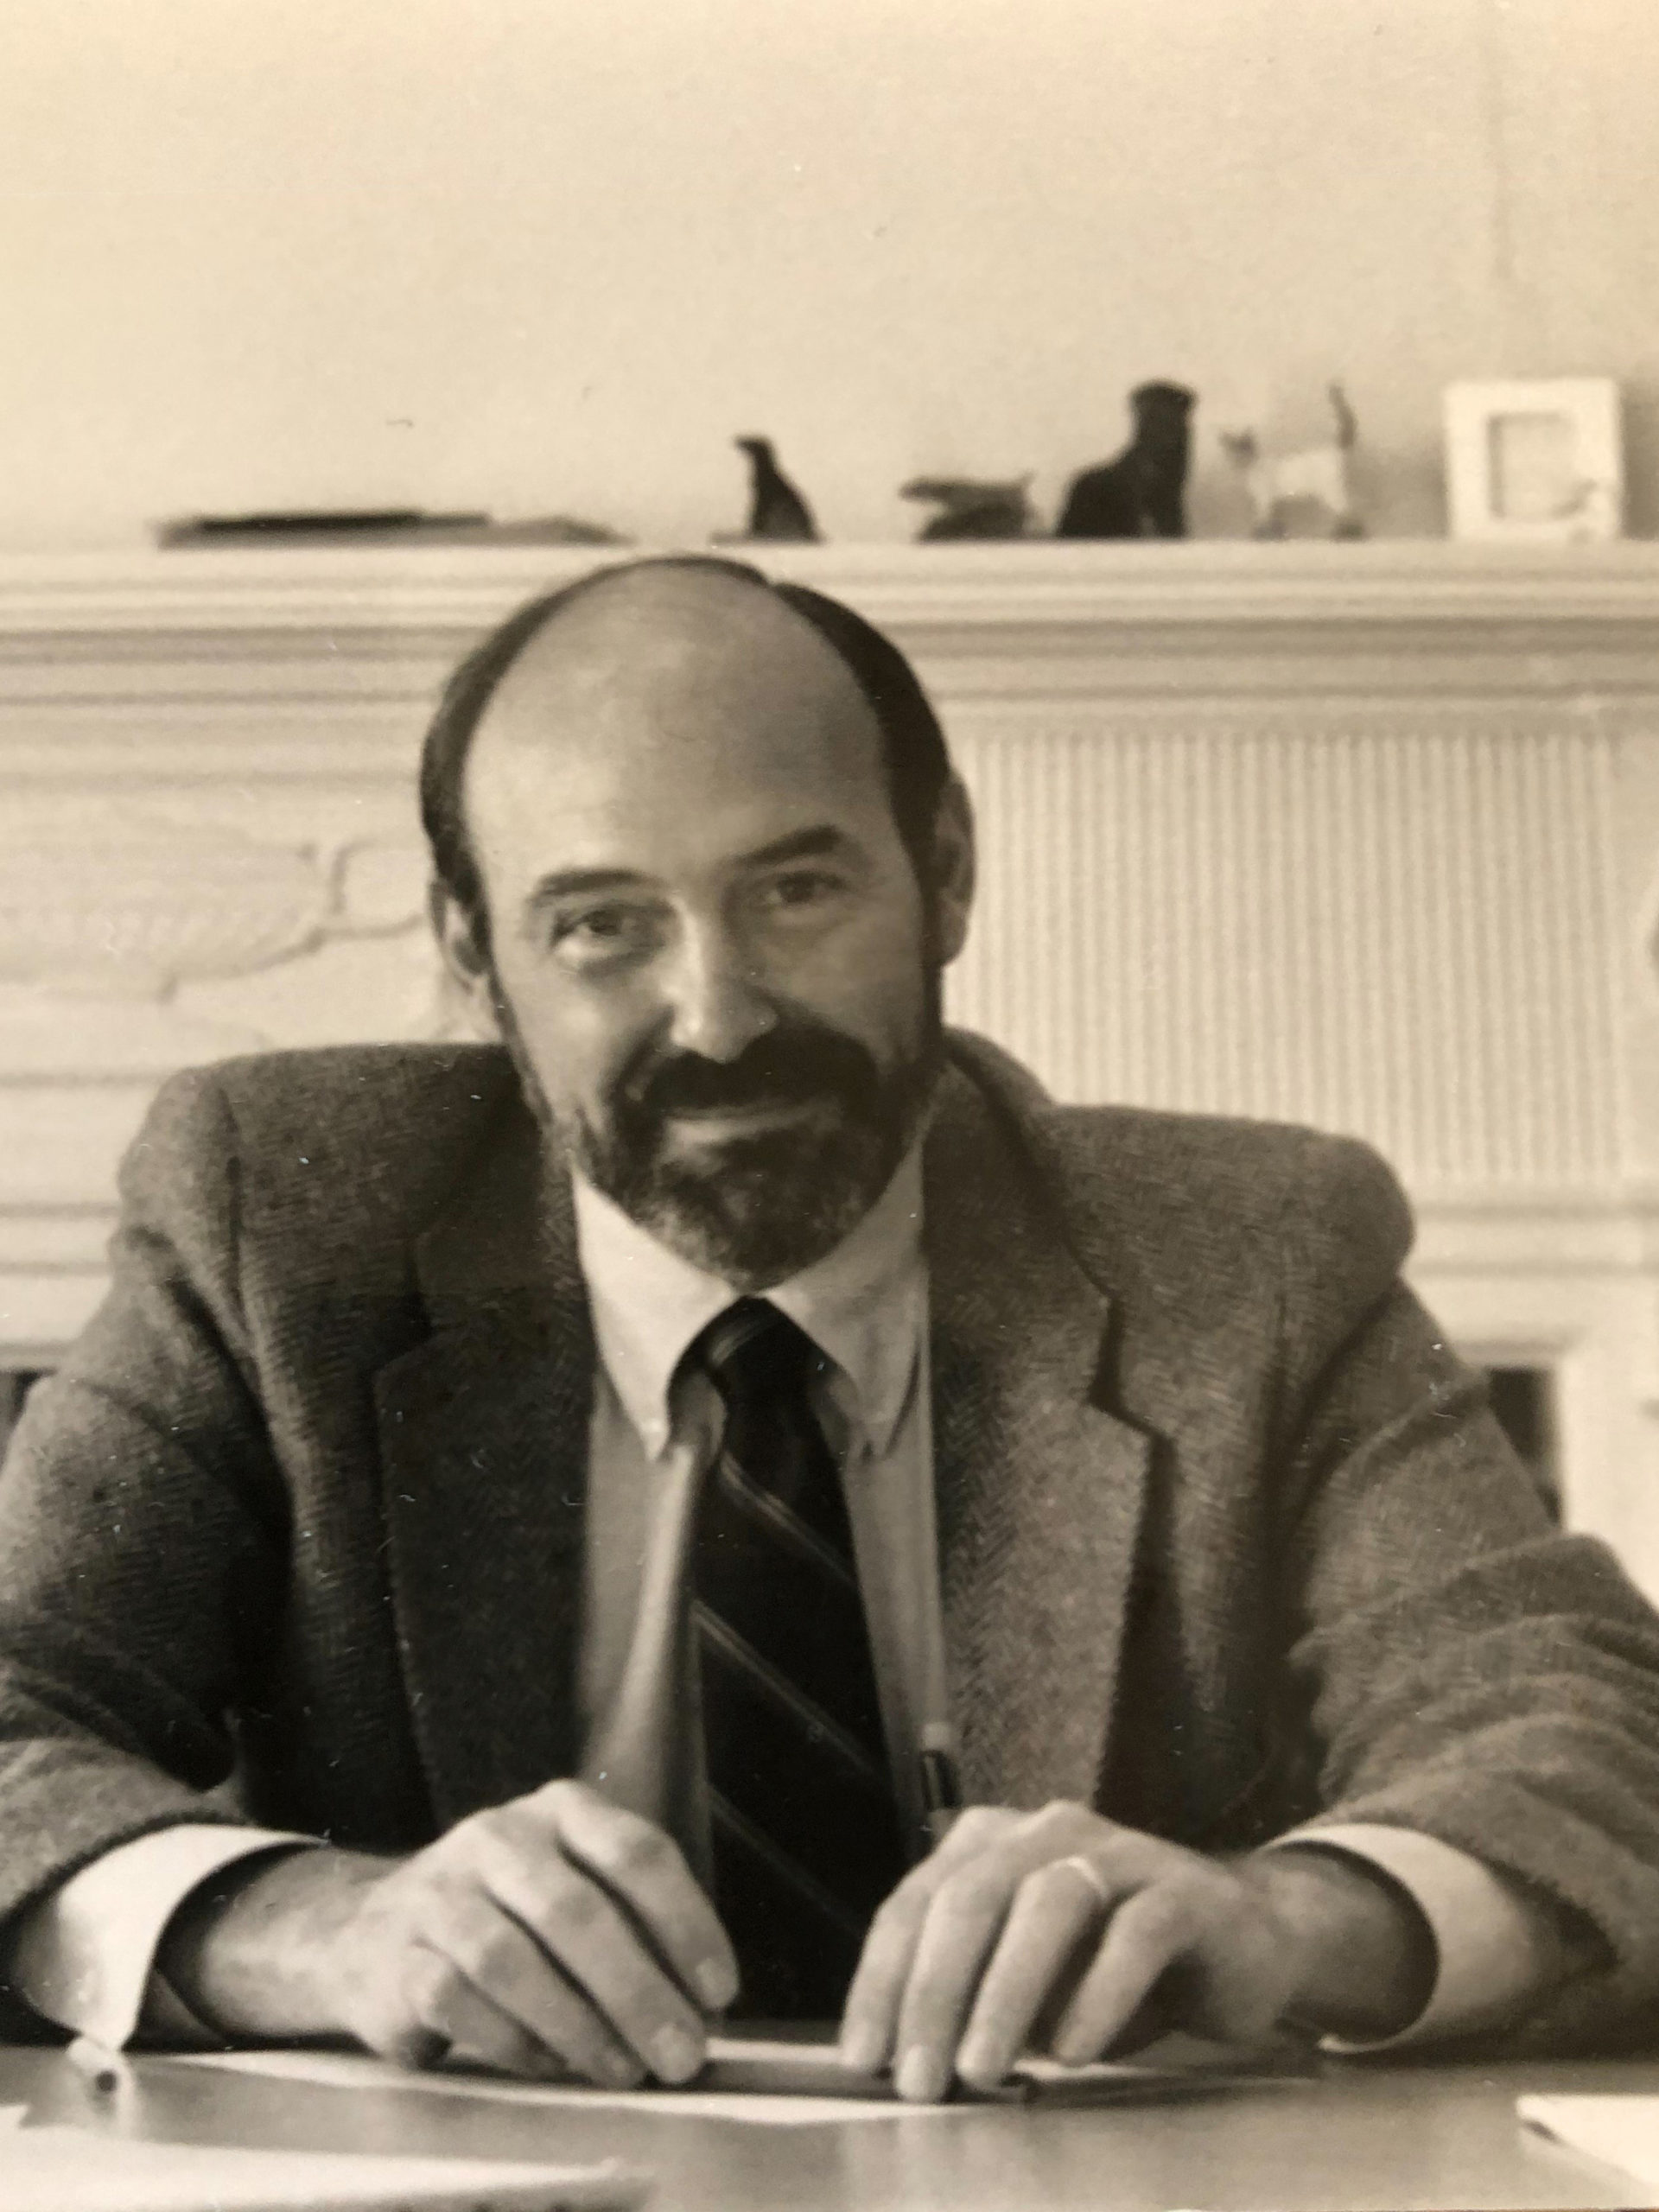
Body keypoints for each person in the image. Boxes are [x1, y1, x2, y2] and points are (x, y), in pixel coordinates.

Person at [3, 556, 1659, 2104]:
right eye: (600, 925)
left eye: (796, 889)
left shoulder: (1252, 1254)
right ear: (473, 955)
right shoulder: (281, 1224)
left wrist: (1288, 1922)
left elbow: (1576, 1729)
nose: (717, 1014)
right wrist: (314, 1927)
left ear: (943, 875)